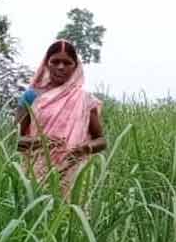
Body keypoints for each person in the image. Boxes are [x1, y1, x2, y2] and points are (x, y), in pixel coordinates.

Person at [16, 40, 107, 199]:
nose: (60, 67)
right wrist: (40, 142)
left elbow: (101, 141)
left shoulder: (85, 100)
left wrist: (82, 149)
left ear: (75, 66)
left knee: (68, 218)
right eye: (55, 62)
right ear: (47, 64)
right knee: (36, 217)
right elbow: (13, 140)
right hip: (36, 172)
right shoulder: (31, 96)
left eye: (67, 63)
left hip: (72, 172)